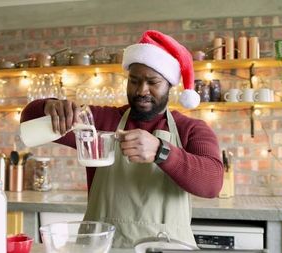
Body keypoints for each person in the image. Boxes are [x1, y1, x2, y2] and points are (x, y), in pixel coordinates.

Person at [21, 30, 224, 248]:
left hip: (168, 247)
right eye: (134, 81)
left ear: (169, 85)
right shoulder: (100, 121)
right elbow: (28, 120)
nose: (141, 90)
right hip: (103, 247)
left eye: (153, 82)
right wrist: (50, 106)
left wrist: (161, 151)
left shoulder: (191, 129)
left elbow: (212, 184)